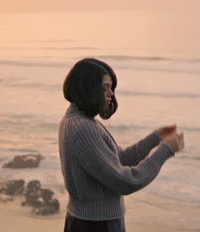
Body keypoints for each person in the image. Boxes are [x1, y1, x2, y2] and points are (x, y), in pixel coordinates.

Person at [59, 58, 184, 232]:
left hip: (91, 221)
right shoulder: (82, 128)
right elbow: (127, 182)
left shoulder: (80, 120)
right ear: (87, 88)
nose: (111, 93)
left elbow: (119, 160)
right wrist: (166, 150)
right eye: (105, 88)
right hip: (97, 225)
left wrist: (156, 138)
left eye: (111, 88)